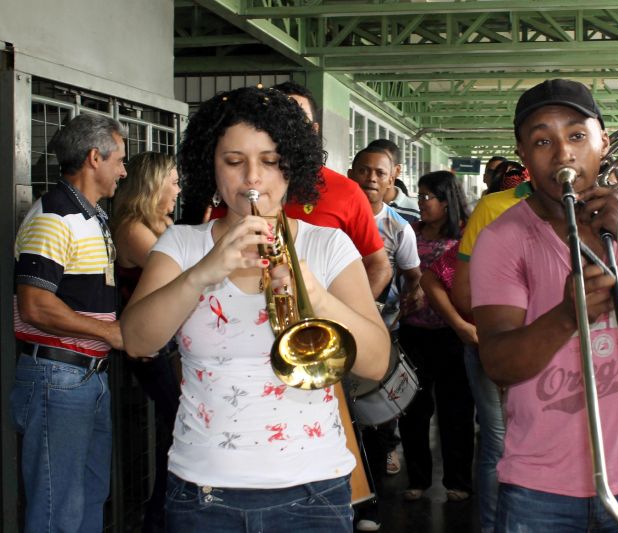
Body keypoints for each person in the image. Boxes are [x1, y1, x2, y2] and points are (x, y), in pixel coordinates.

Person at [120, 87, 390, 532]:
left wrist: (314, 294)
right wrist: (204, 272)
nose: (252, 180)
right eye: (233, 161)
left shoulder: (328, 246)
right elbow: (136, 339)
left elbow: (377, 362)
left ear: (293, 166)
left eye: (269, 161)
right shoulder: (182, 245)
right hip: (202, 491)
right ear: (211, 165)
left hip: (314, 491)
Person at [470, 79, 618, 531]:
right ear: (523, 156)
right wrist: (567, 316)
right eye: (542, 141)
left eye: (577, 136)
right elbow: (499, 363)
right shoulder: (502, 240)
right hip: (536, 489)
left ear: (604, 140)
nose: (563, 154)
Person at [10, 113, 127, 532]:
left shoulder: (90, 216)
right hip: (57, 377)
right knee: (58, 507)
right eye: (119, 160)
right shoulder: (54, 218)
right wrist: (108, 332)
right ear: (95, 158)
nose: (123, 170)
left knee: (88, 495)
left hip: (84, 377)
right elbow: (36, 305)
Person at [451, 172, 534, 533]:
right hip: (498, 342)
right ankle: (492, 526)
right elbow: (463, 293)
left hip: (557, 352)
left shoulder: (588, 209)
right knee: (498, 442)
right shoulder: (492, 208)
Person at [347, 146, 422, 531]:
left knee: (373, 422)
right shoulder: (334, 222)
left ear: (392, 178)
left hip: (379, 335)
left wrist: (406, 300)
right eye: (363, 171)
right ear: (351, 172)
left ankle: (369, 504)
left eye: (379, 173)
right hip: (332, 338)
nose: (370, 180)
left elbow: (413, 275)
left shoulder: (399, 228)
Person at [111, 151, 182, 533]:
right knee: (177, 436)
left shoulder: (157, 224)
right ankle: (160, 522)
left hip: (165, 346)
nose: (178, 188)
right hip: (151, 350)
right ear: (153, 185)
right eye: (172, 180)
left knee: (177, 435)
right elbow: (179, 277)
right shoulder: (134, 228)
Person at [274, 81, 393, 299]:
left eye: (298, 120)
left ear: (314, 130)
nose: (288, 129)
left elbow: (379, 266)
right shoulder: (238, 191)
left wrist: (348, 318)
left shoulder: (346, 191)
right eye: (277, 120)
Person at [398, 170, 474, 503]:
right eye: (420, 195)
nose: (421, 202)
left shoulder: (467, 235)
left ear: (446, 202)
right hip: (414, 332)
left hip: (452, 334)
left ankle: (458, 480)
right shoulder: (410, 232)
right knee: (413, 409)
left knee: (455, 410)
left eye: (427, 196)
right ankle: (417, 479)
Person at [368, 138, 420, 223]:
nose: (372, 177)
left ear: (397, 170)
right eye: (366, 169)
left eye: (385, 165)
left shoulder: (415, 212)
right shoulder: (353, 206)